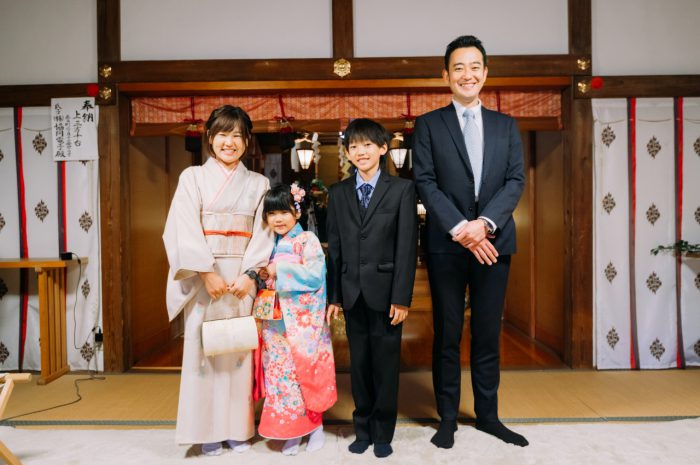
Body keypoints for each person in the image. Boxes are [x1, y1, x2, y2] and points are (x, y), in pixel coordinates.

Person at [412, 35, 528, 449]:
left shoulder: (505, 125)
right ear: (446, 75)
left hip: (494, 244)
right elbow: (424, 181)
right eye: (458, 67)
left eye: (474, 66)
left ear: (485, 73)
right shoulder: (428, 124)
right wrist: (462, 228)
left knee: (485, 333)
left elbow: (516, 180)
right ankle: (446, 417)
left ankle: (489, 415)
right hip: (448, 244)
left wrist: (485, 224)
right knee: (446, 332)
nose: (467, 74)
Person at [162, 105, 274, 456]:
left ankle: (239, 429)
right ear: (210, 138)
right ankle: (206, 429)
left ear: (246, 142)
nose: (230, 142)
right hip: (204, 278)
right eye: (222, 134)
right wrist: (206, 273)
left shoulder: (259, 183)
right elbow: (181, 228)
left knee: (239, 353)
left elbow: (264, 232)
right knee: (204, 352)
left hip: (240, 277)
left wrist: (250, 275)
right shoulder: (192, 178)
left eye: (237, 135)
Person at [326, 118, 417, 458]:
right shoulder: (337, 193)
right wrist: (334, 295)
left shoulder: (402, 190)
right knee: (359, 364)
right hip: (351, 293)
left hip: (386, 292)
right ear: (347, 152)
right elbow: (334, 248)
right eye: (353, 146)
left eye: (367, 145)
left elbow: (407, 246)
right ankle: (361, 427)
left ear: (382, 148)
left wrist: (401, 297)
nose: (360, 151)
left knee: (386, 364)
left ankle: (383, 432)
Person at [256, 183, 337, 456]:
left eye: (283, 212)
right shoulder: (268, 243)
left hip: (301, 322)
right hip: (275, 321)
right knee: (280, 376)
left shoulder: (308, 241)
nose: (277, 219)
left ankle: (315, 428)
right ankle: (291, 431)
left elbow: (315, 276)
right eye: (271, 214)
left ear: (297, 212)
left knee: (305, 375)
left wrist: (279, 268)